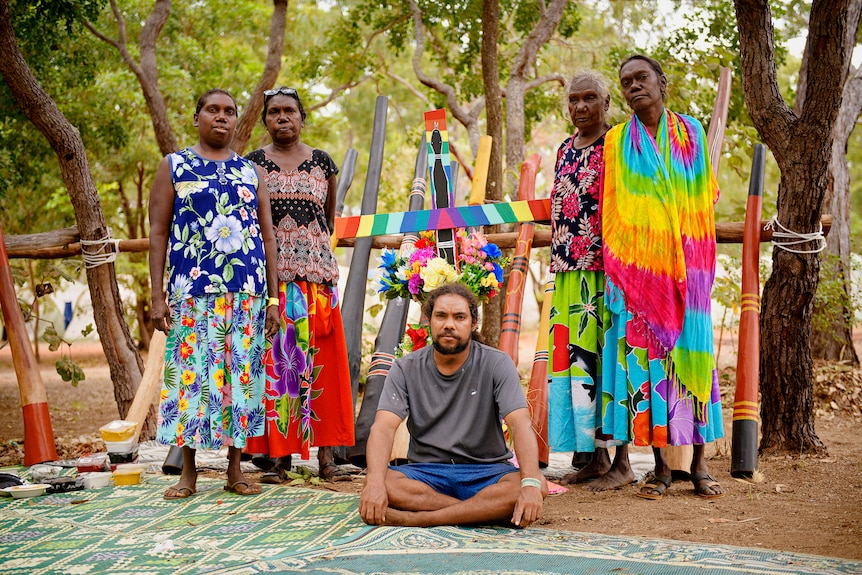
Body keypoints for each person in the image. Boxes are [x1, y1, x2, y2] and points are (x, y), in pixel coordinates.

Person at [602, 54, 725, 500]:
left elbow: (701, 196)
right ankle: (659, 470)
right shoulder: (616, 141)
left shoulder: (690, 131)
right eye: (626, 82)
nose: (635, 86)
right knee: (649, 369)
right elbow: (613, 206)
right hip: (640, 276)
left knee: (692, 362)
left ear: (661, 82)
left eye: (642, 78)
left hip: (689, 270)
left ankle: (699, 464)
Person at [149, 88, 280, 500]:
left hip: (246, 294)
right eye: (212, 110)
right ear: (197, 117)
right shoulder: (174, 166)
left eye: (229, 112)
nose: (220, 117)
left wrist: (273, 299)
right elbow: (157, 233)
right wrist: (158, 296)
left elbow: (268, 237)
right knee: (190, 380)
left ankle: (235, 467)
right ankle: (187, 470)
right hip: (192, 292)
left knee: (241, 381)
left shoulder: (250, 172)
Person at [359, 283, 548, 527]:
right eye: (441, 316)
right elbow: (382, 428)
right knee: (380, 481)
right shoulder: (405, 368)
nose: (449, 324)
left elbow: (520, 424)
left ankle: (418, 519)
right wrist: (374, 484)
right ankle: (482, 511)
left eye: (459, 317)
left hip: (487, 472)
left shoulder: (496, 363)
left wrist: (530, 483)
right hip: (425, 474)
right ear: (428, 321)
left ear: (473, 323)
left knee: (536, 484)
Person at [243, 87, 355, 483]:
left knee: (323, 367)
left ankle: (327, 459)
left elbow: (328, 216)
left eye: (290, 111)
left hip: (317, 281)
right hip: (274, 285)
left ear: (302, 117)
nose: (282, 118)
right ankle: (281, 459)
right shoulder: (252, 164)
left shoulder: (323, 163)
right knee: (280, 369)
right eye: (273, 112)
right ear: (265, 120)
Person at [548, 70, 634, 491]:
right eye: (573, 100)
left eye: (589, 98)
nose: (580, 107)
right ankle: (595, 457)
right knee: (579, 363)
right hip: (567, 273)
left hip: (605, 272)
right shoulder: (565, 148)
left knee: (609, 359)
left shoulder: (616, 145)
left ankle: (622, 461)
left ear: (606, 103)